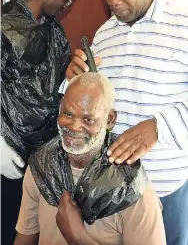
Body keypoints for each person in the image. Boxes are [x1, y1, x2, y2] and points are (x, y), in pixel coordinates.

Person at [65, 0, 188, 245]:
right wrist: (73, 80)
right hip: (111, 191)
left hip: (164, 189)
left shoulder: (183, 27)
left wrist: (158, 128)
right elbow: (92, 100)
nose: (113, 0)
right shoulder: (105, 33)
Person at [14, 72, 166, 245]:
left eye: (88, 119)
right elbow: (24, 238)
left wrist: (78, 238)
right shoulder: (40, 168)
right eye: (68, 114)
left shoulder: (131, 191)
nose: (74, 127)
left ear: (110, 119)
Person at [1, 0, 78, 245]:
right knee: (9, 222)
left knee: (36, 225)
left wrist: (73, 75)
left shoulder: (54, 33)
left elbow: (58, 87)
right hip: (9, 151)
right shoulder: (4, 24)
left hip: (44, 151)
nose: (67, 6)